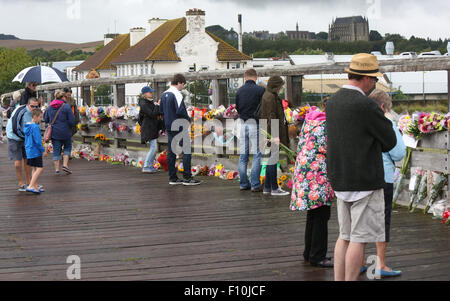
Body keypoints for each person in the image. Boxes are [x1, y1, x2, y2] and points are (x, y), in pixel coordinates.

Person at [326, 53, 397, 281]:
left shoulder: (333, 102)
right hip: (364, 181)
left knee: (343, 236)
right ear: (366, 78)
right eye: (374, 79)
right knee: (359, 238)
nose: (374, 84)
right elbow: (390, 140)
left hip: (340, 178)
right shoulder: (366, 105)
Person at [359, 89, 406, 277]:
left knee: (361, 220)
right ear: (383, 107)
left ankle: (361, 262)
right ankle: (380, 265)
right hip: (383, 177)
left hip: (361, 178)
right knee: (381, 221)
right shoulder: (387, 124)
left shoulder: (360, 123)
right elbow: (399, 152)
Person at [290, 100, 334, 268]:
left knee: (313, 215)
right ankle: (318, 256)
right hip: (318, 175)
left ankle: (309, 253)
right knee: (322, 215)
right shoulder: (327, 126)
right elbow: (332, 149)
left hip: (305, 174)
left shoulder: (311, 121)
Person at [160, 74, 201, 186]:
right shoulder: (177, 94)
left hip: (169, 125)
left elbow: (161, 111)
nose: (183, 87)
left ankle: (173, 177)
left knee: (171, 151)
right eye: (183, 85)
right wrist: (188, 119)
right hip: (179, 125)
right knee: (186, 150)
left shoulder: (164, 94)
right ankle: (187, 177)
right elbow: (181, 111)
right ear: (179, 83)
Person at [235, 68, 265, 192]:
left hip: (242, 124)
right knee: (257, 154)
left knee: (243, 155)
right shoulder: (261, 90)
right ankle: (255, 184)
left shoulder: (239, 91)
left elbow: (237, 107)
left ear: (245, 77)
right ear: (256, 77)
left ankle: (243, 183)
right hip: (255, 124)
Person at [260, 76, 290, 196]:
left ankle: (267, 187)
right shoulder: (271, 97)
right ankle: (274, 188)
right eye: (280, 85)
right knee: (273, 160)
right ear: (276, 85)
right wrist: (275, 135)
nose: (282, 87)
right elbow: (272, 116)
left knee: (270, 160)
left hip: (267, 131)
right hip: (272, 132)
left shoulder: (268, 95)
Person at [6, 97, 40, 191]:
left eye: (36, 106)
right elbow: (15, 127)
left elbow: (35, 125)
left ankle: (29, 182)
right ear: (28, 105)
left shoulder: (36, 112)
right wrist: (27, 138)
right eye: (32, 106)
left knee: (27, 159)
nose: (34, 108)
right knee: (18, 161)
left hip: (25, 137)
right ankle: (21, 182)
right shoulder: (21, 111)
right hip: (14, 136)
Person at [44, 90, 75, 175]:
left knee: (56, 150)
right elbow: (72, 121)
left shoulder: (49, 107)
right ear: (63, 97)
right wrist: (68, 125)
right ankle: (65, 165)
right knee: (67, 147)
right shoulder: (66, 107)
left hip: (54, 133)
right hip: (66, 132)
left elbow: (45, 119)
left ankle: (57, 170)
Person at [24, 109, 48, 194]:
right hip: (35, 150)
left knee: (34, 168)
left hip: (29, 150)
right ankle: (30, 186)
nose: (41, 119)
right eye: (40, 117)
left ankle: (35, 185)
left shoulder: (27, 126)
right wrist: (43, 150)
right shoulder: (35, 127)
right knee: (40, 168)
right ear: (35, 117)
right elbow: (38, 141)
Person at [139, 86, 162, 173]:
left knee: (154, 148)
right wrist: (158, 105)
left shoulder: (149, 102)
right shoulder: (144, 104)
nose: (151, 93)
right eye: (150, 92)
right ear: (145, 94)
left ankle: (150, 166)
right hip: (148, 128)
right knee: (153, 148)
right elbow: (152, 114)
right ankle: (146, 166)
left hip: (152, 127)